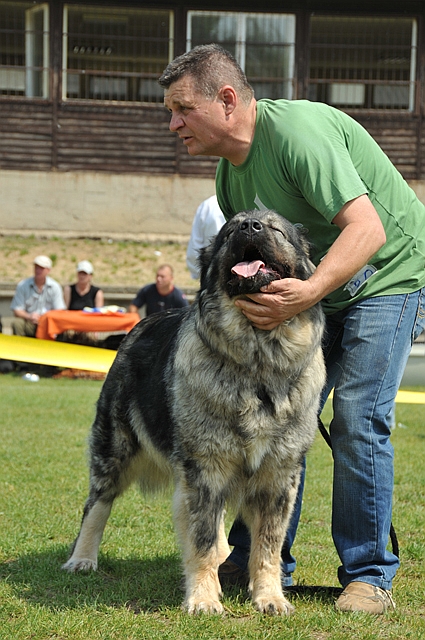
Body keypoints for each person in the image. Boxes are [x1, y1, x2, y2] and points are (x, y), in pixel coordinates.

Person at [159, 44, 425, 614]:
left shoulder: (297, 135)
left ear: (226, 100)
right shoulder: (229, 177)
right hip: (318, 290)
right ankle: (264, 563)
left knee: (357, 418)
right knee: (277, 420)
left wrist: (306, 294)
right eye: (171, 112)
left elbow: (368, 229)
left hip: (389, 275)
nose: (173, 124)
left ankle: (369, 575)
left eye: (182, 108)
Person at [10, 255, 66, 337]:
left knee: (60, 325)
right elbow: (17, 310)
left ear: (48, 270)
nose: (38, 270)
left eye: (41, 268)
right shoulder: (23, 285)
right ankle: (19, 345)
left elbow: (59, 310)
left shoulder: (55, 287)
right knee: (17, 323)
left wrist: (45, 317)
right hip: (28, 321)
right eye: (36, 267)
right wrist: (29, 316)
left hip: (48, 322)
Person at [186, 195, 225, 279]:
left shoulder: (208, 205)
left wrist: (199, 274)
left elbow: (194, 249)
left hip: (212, 275)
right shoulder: (247, 199)